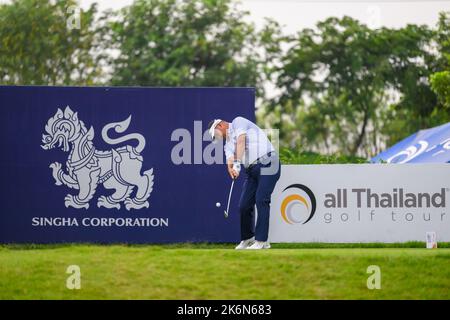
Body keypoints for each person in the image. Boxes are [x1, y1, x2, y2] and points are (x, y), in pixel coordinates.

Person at [208, 117, 281, 250]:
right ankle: (248, 238)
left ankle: (262, 240)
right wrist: (231, 168)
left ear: (220, 126)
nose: (217, 138)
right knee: (244, 205)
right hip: (251, 170)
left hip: (269, 162)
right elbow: (230, 159)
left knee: (261, 200)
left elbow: (241, 141)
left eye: (216, 135)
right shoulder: (227, 144)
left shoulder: (237, 122)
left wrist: (237, 163)